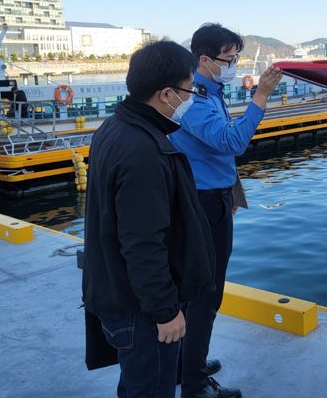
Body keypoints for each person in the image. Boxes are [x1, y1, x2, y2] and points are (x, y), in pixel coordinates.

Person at [82, 40, 216, 397]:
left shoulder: (115, 127)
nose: (191, 97)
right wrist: (165, 311)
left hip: (119, 296)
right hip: (140, 310)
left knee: (136, 384)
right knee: (151, 388)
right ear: (167, 94)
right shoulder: (144, 150)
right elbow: (143, 243)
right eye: (189, 89)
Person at [171, 23, 283, 398]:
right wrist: (261, 96)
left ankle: (188, 361)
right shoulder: (195, 100)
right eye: (229, 59)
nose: (234, 64)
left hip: (213, 197)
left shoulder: (207, 90)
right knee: (206, 292)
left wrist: (231, 194)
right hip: (203, 204)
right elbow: (232, 142)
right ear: (205, 59)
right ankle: (194, 383)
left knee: (197, 290)